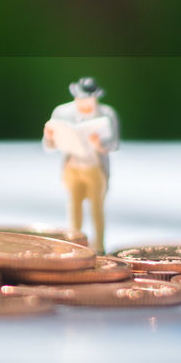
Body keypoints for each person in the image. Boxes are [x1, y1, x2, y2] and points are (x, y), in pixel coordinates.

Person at [42, 76, 121, 253]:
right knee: (74, 210)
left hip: (94, 168)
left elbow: (114, 144)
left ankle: (99, 247)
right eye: (80, 97)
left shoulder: (107, 114)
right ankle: (75, 247)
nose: (83, 101)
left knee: (96, 211)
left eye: (87, 98)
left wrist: (99, 144)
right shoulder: (62, 113)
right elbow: (48, 146)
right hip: (73, 167)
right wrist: (49, 136)